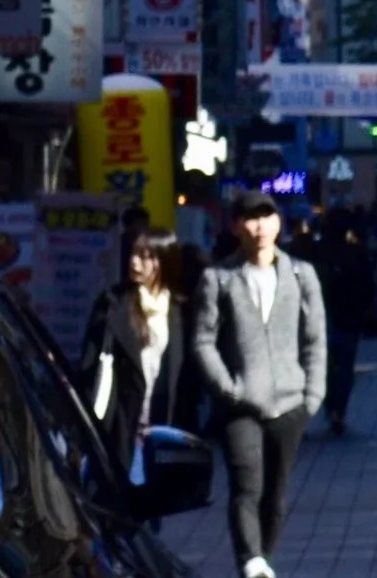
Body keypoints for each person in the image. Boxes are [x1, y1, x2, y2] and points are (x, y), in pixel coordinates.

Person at [191, 190, 327, 578]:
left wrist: (312, 396)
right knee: (246, 485)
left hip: (290, 401)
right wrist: (227, 388)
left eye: (266, 216)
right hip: (241, 403)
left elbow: (315, 339)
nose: (259, 226)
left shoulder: (302, 275)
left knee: (276, 495)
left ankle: (262, 558)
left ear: (278, 223)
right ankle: (251, 562)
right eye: (250, 218)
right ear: (235, 226)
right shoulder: (218, 278)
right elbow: (203, 341)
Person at [81, 230, 192, 479]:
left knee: (154, 504)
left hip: (160, 426)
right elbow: (88, 364)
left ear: (164, 261)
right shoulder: (112, 304)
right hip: (119, 424)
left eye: (146, 256)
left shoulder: (179, 311)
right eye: (133, 254)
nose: (135, 262)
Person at [314, 208, 377, 434]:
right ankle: (338, 411)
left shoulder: (317, 253)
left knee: (325, 368)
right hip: (349, 318)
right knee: (345, 369)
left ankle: (331, 406)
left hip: (322, 318)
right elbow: (369, 288)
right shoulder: (356, 253)